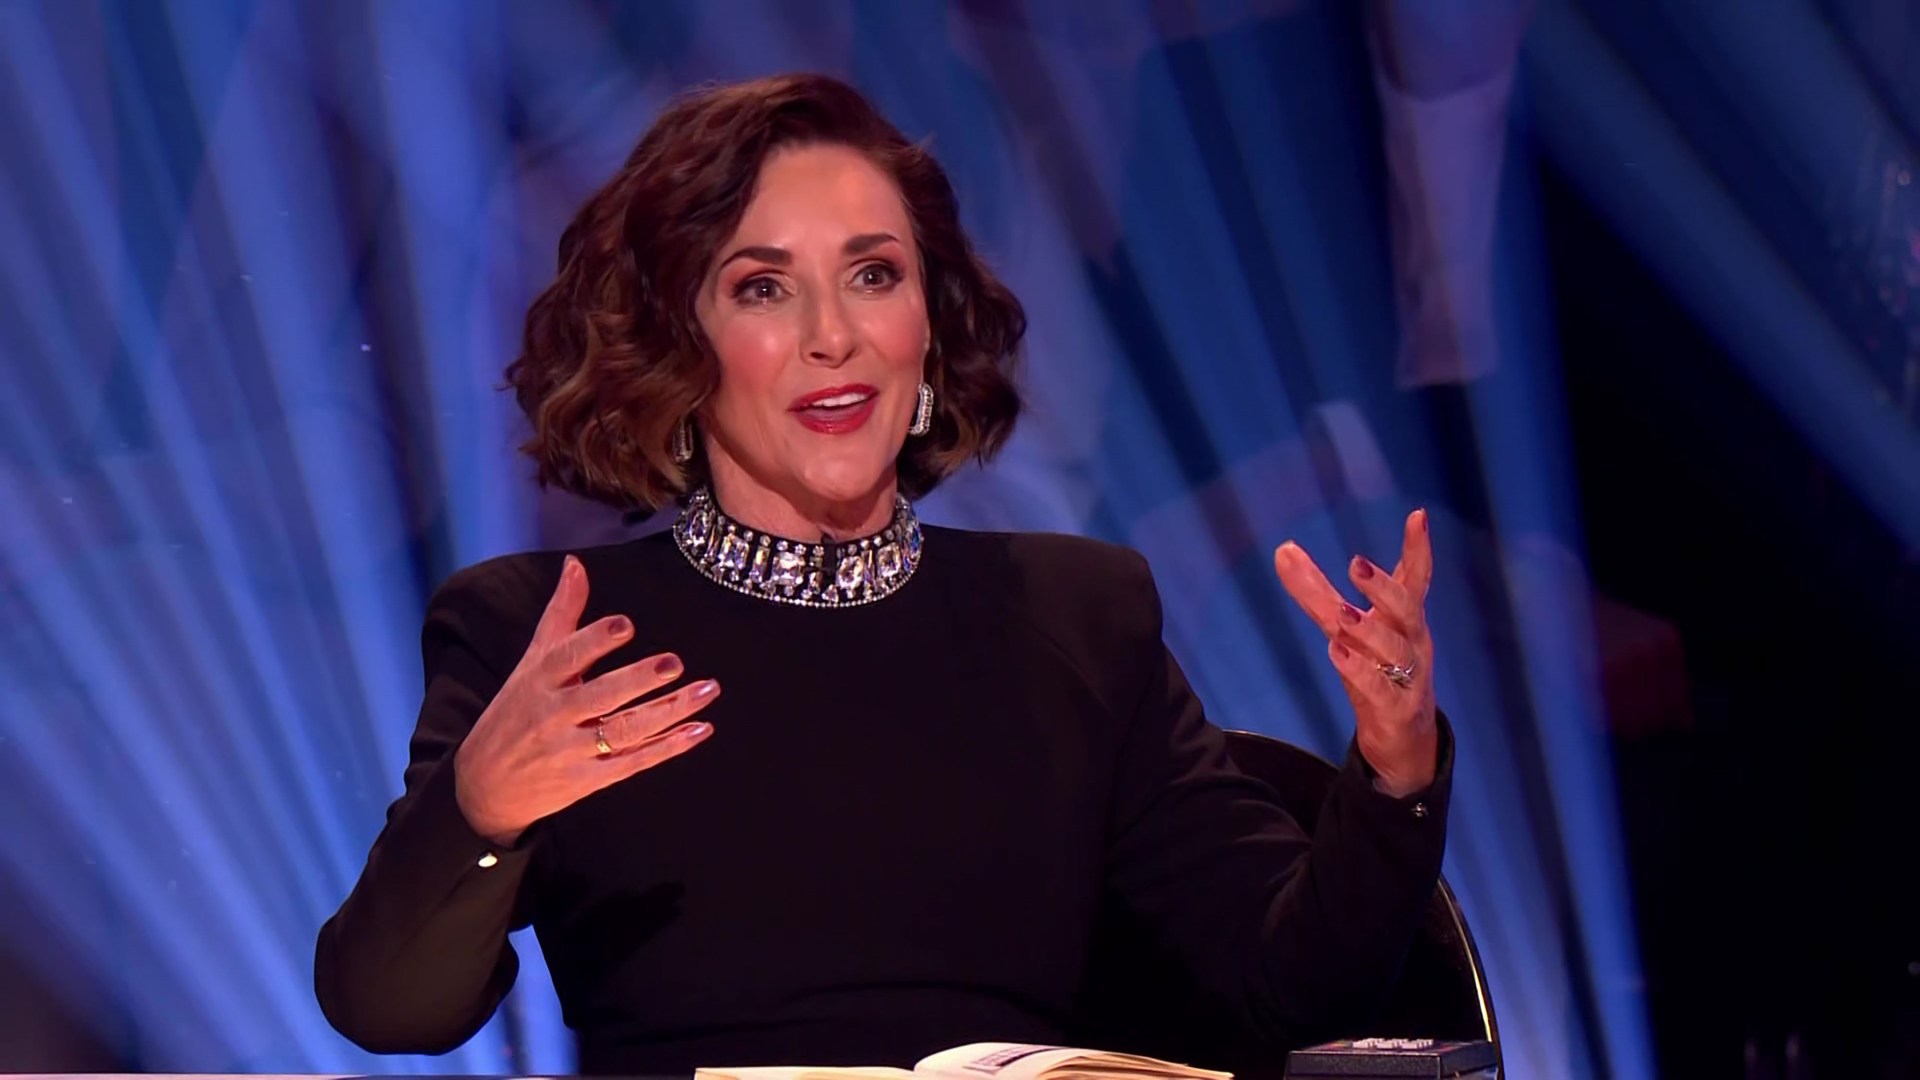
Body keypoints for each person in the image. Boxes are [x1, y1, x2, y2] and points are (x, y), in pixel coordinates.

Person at [314, 73, 1454, 1075]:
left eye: (873, 274)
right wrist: (481, 807)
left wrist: (1395, 764)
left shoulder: (1077, 617)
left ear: (929, 326)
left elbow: (1295, 984)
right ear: (680, 343)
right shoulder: (547, 632)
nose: (835, 336)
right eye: (763, 287)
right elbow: (390, 1011)